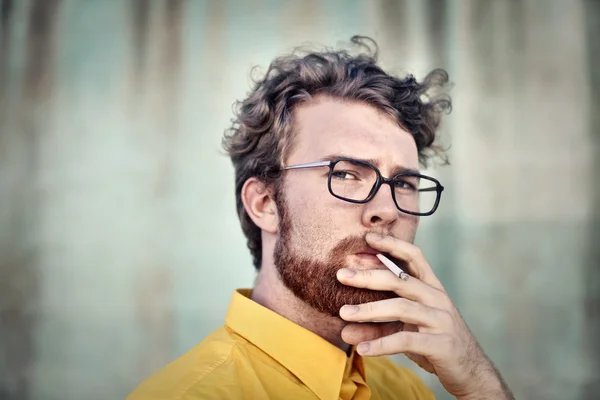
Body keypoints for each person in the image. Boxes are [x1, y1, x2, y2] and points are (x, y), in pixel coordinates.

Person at [127, 36, 513, 400]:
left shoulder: (404, 389)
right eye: (345, 173)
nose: (387, 209)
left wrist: (478, 382)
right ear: (265, 203)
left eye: (404, 182)